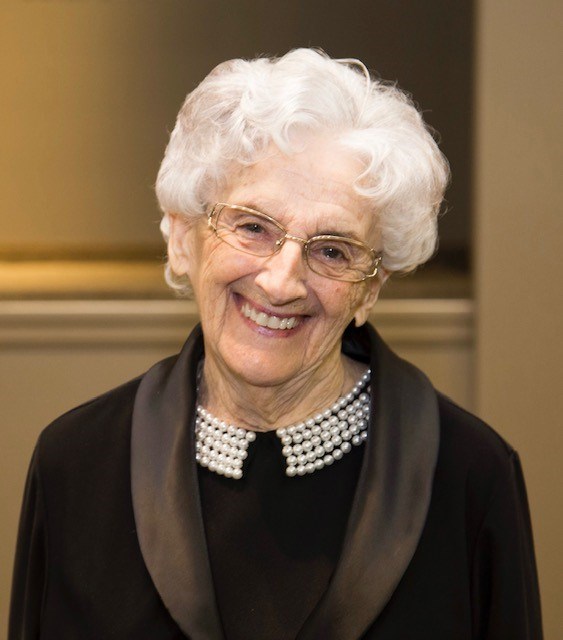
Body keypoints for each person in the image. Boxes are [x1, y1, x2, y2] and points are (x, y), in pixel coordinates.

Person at [9, 49, 542, 639]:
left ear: (370, 289)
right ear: (183, 238)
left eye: (332, 250)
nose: (281, 282)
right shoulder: (76, 465)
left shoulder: (470, 477)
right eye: (253, 227)